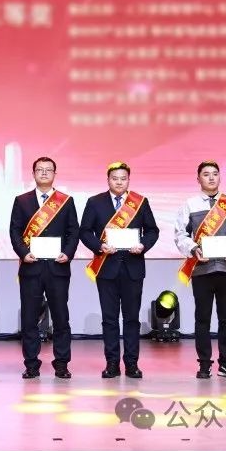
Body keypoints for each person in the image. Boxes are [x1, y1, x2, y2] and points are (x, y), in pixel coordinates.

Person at [79, 161, 160, 379]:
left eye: (123, 178)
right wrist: (99, 246)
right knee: (109, 319)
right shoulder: (95, 202)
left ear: (129, 180)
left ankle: (132, 364)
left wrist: (143, 245)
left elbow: (152, 231)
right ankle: (112, 363)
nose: (119, 182)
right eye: (115, 178)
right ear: (108, 180)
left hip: (133, 267)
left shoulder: (140, 202)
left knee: (132, 319)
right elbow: (84, 231)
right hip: (106, 267)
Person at [174, 160, 226, 379]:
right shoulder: (189, 205)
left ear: (220, 177)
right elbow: (180, 234)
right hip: (202, 269)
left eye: (215, 173)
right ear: (198, 179)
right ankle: (204, 364)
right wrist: (194, 248)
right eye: (206, 174)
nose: (211, 177)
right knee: (202, 318)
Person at [9, 156, 80, 380]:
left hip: (58, 267)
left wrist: (67, 253)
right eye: (39, 169)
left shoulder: (65, 201)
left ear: (54, 174)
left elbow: (73, 232)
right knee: (30, 318)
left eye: (48, 170)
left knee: (61, 317)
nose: (44, 173)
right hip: (31, 267)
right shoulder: (22, 201)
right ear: (33, 174)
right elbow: (14, 232)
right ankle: (31, 364)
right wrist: (23, 253)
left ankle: (62, 364)